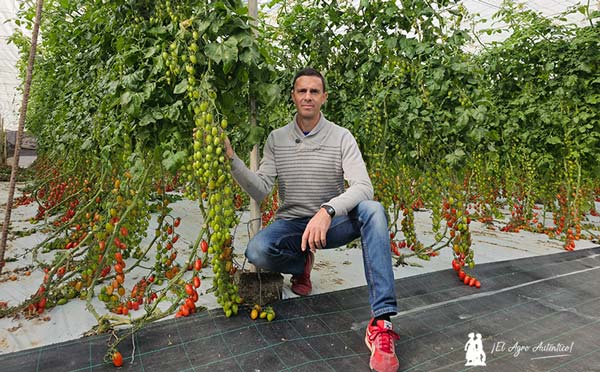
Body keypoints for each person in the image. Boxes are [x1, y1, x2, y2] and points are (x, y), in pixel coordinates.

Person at [224, 68, 400, 372]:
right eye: (302, 91)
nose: (307, 96)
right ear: (293, 96)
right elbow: (262, 188)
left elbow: (363, 187)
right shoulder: (277, 139)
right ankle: (301, 263)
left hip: (331, 223)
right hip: (293, 223)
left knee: (374, 210)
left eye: (314, 91)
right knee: (257, 251)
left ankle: (381, 322)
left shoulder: (341, 136)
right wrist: (232, 160)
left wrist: (328, 210)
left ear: (324, 98)